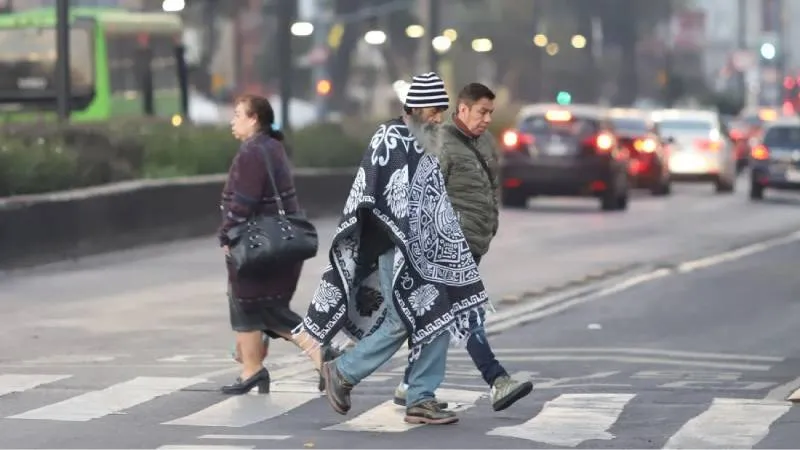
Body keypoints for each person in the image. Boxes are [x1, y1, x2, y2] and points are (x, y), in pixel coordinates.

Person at [297, 72, 490, 426]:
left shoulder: (427, 139)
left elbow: (433, 198)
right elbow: (375, 194)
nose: (439, 117)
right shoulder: (389, 137)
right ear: (416, 107)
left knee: (436, 317)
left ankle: (421, 398)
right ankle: (342, 372)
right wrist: (407, 233)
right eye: (434, 110)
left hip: (425, 252)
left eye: (442, 111)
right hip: (394, 246)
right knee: (402, 318)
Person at [392, 83, 534, 412]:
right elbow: (426, 193)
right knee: (468, 312)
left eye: (490, 113)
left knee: (439, 316)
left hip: (475, 242)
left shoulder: (485, 141)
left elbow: (491, 186)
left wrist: (492, 223)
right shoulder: (441, 142)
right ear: (463, 109)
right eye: (481, 112)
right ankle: (498, 381)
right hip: (449, 245)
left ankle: (407, 383)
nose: (486, 119)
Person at [218, 94, 331, 394]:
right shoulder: (272, 147)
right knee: (254, 307)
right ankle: (252, 368)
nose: (233, 120)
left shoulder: (252, 153)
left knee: (265, 309)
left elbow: (244, 201)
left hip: (260, 244)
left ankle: (323, 357)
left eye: (238, 114)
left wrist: (226, 233)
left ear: (254, 118)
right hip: (277, 243)